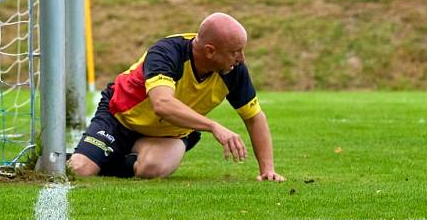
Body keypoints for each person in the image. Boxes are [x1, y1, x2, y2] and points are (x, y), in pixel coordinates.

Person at [68, 13, 284, 182]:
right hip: (118, 119)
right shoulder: (166, 53)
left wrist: (268, 170)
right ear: (210, 51)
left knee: (151, 170)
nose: (241, 58)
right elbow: (162, 104)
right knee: (80, 169)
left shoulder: (233, 70)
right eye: (235, 51)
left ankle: (113, 155)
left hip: (168, 134)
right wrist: (213, 126)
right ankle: (102, 153)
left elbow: (254, 117)